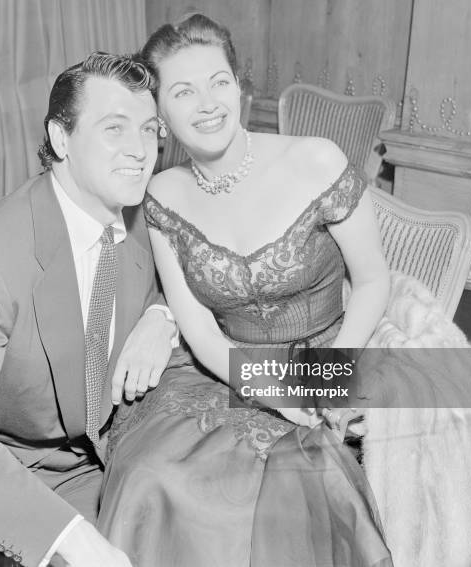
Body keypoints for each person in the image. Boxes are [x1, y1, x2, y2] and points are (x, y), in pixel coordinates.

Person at [96, 15, 397, 567]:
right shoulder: (162, 194)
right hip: (226, 366)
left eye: (219, 82)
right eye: (184, 92)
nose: (208, 104)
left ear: (240, 88)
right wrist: (273, 390)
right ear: (160, 115)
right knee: (152, 476)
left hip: (329, 350)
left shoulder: (316, 160)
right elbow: (201, 331)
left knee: (299, 489)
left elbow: (375, 279)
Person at [0, 52, 178, 567]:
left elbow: (186, 291)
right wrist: (72, 538)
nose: (141, 150)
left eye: (150, 128)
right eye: (115, 128)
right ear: (61, 138)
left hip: (94, 461)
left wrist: (163, 317)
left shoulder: (147, 217)